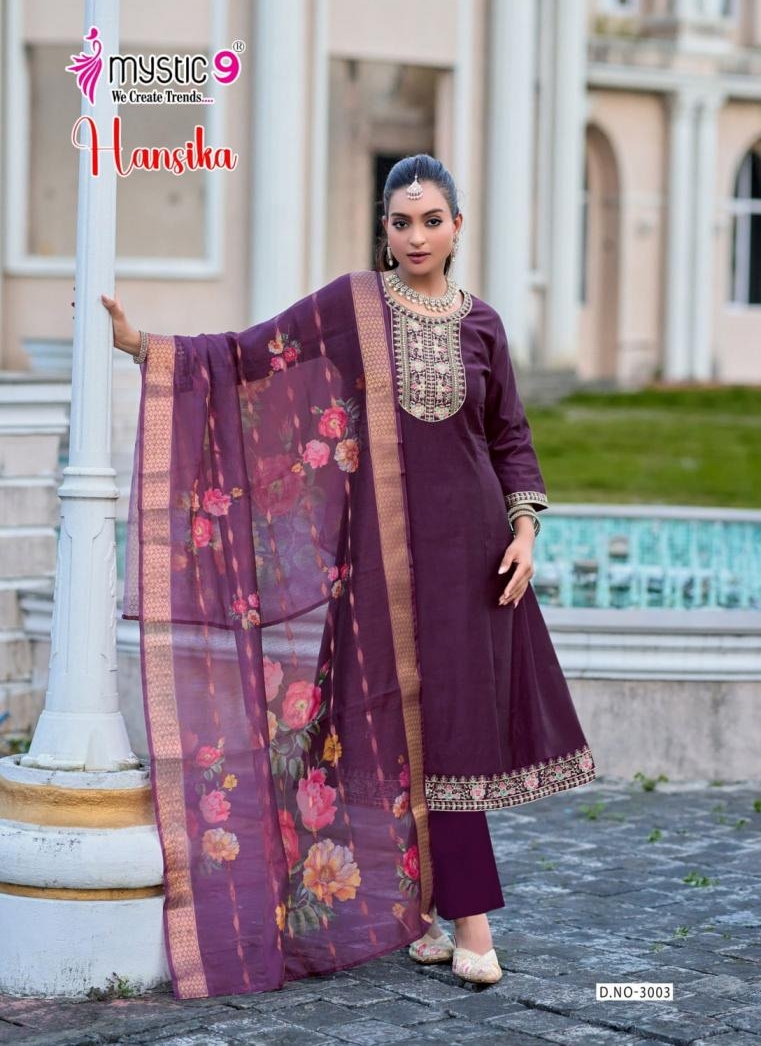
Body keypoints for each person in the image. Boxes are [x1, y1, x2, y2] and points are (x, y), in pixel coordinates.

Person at [99, 154, 597, 999]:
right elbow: (252, 358)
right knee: (383, 729)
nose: (415, 237)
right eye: (401, 222)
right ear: (384, 228)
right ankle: (431, 915)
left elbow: (507, 435)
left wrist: (524, 530)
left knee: (454, 735)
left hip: (474, 556)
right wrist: (145, 348)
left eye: (431, 221)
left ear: (456, 227)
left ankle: (466, 923)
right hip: (382, 557)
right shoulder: (351, 307)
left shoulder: (482, 325)